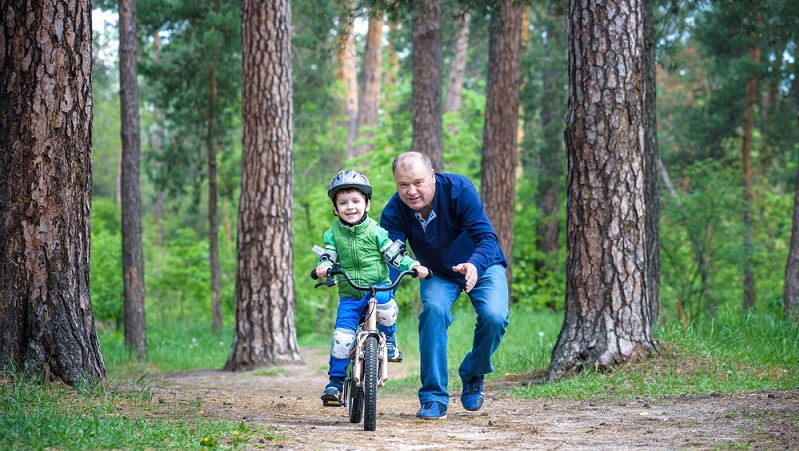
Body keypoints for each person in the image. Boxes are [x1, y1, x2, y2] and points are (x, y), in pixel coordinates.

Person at [380, 152, 509, 420]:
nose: (411, 191)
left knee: (495, 317)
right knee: (433, 312)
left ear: (433, 177)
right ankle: (433, 398)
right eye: (403, 185)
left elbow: (487, 238)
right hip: (437, 272)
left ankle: (473, 370)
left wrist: (474, 264)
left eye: (418, 182)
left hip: (480, 262)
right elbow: (391, 259)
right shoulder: (394, 211)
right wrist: (381, 298)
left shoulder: (459, 190)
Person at [315, 169, 430, 406]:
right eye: (343, 203)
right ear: (335, 208)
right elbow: (328, 255)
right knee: (342, 338)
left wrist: (413, 265)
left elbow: (394, 255)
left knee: (387, 309)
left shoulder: (376, 231)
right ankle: (335, 384)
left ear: (367, 204)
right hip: (349, 293)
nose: (350, 207)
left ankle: (388, 339)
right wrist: (324, 266)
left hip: (378, 289)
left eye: (356, 201)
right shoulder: (333, 234)